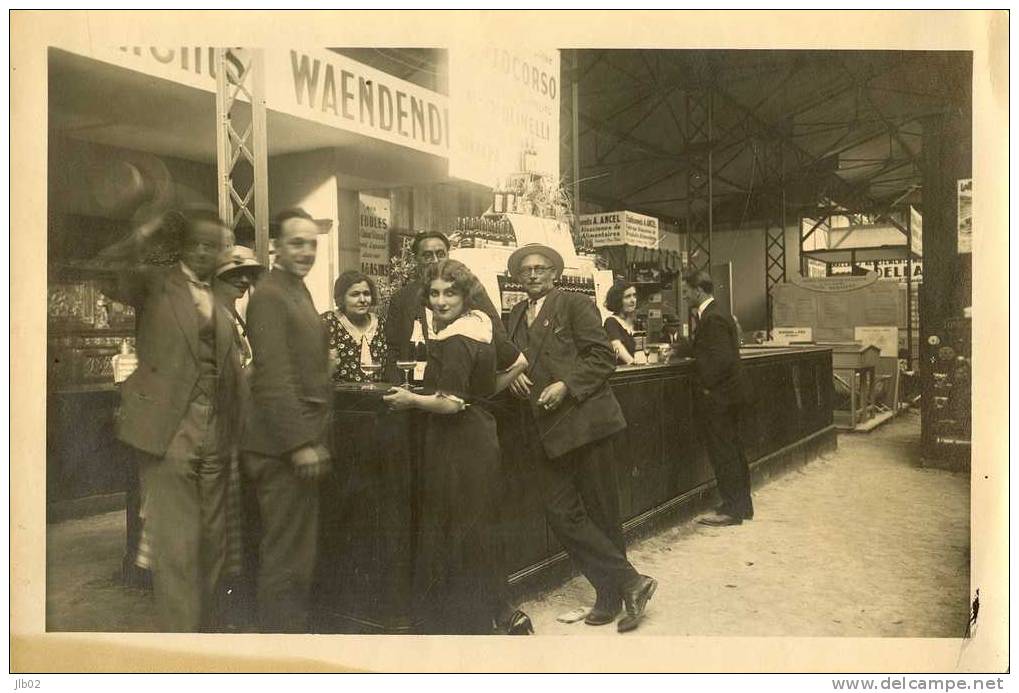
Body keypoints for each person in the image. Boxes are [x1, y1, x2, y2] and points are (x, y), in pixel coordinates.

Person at [98, 208, 243, 632]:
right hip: (170, 430)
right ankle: (183, 641)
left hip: (216, 430)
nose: (204, 252)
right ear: (183, 245)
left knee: (214, 541)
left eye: (213, 246)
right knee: (177, 543)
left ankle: (207, 632)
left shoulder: (220, 294)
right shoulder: (155, 285)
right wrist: (142, 233)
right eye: (197, 243)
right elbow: (107, 271)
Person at [505, 243, 657, 633]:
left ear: (555, 274)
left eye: (541, 268)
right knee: (560, 512)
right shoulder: (516, 314)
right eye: (527, 270)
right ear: (518, 278)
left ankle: (609, 597)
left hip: (587, 424)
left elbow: (601, 358)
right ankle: (630, 582)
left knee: (602, 512)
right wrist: (513, 376)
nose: (534, 275)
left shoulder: (575, 304)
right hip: (548, 431)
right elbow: (516, 361)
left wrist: (566, 386)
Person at [382, 260, 532, 635]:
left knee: (455, 529)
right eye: (434, 293)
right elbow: (521, 361)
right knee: (476, 526)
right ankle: (495, 612)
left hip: (456, 441)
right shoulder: (482, 323)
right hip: (480, 432)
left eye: (450, 292)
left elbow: (449, 402)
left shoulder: (454, 338)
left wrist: (409, 400)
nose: (441, 300)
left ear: (465, 295)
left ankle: (466, 623)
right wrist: (480, 395)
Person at [241, 208, 332, 632]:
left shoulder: (296, 289)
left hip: (294, 442)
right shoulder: (270, 295)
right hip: (280, 449)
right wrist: (300, 444)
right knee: (286, 558)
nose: (307, 251)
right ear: (275, 247)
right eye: (297, 243)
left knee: (299, 556)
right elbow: (273, 380)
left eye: (312, 243)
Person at [384, 230, 512, 379]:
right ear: (416, 259)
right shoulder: (402, 298)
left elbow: (496, 330)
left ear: (448, 255)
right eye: (427, 255)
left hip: (460, 379)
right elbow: (393, 349)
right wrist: (395, 386)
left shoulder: (467, 289)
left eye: (440, 254)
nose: (435, 260)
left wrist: (510, 364)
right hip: (415, 381)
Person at [681, 269, 754, 527]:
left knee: (724, 452)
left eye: (686, 290)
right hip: (731, 395)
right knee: (733, 450)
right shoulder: (718, 314)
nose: (684, 295)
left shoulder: (711, 319)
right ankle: (741, 505)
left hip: (720, 398)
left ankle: (732, 510)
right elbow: (712, 349)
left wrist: (705, 386)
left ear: (698, 290)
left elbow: (719, 360)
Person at [321, 271, 388, 384]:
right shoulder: (328, 322)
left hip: (377, 397)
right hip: (341, 397)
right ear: (341, 298)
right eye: (355, 294)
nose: (362, 300)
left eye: (366, 294)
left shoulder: (381, 323)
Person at [603, 281, 639, 365]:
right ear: (618, 300)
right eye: (627, 297)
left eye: (634, 295)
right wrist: (632, 362)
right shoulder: (611, 322)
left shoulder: (629, 323)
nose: (633, 300)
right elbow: (616, 345)